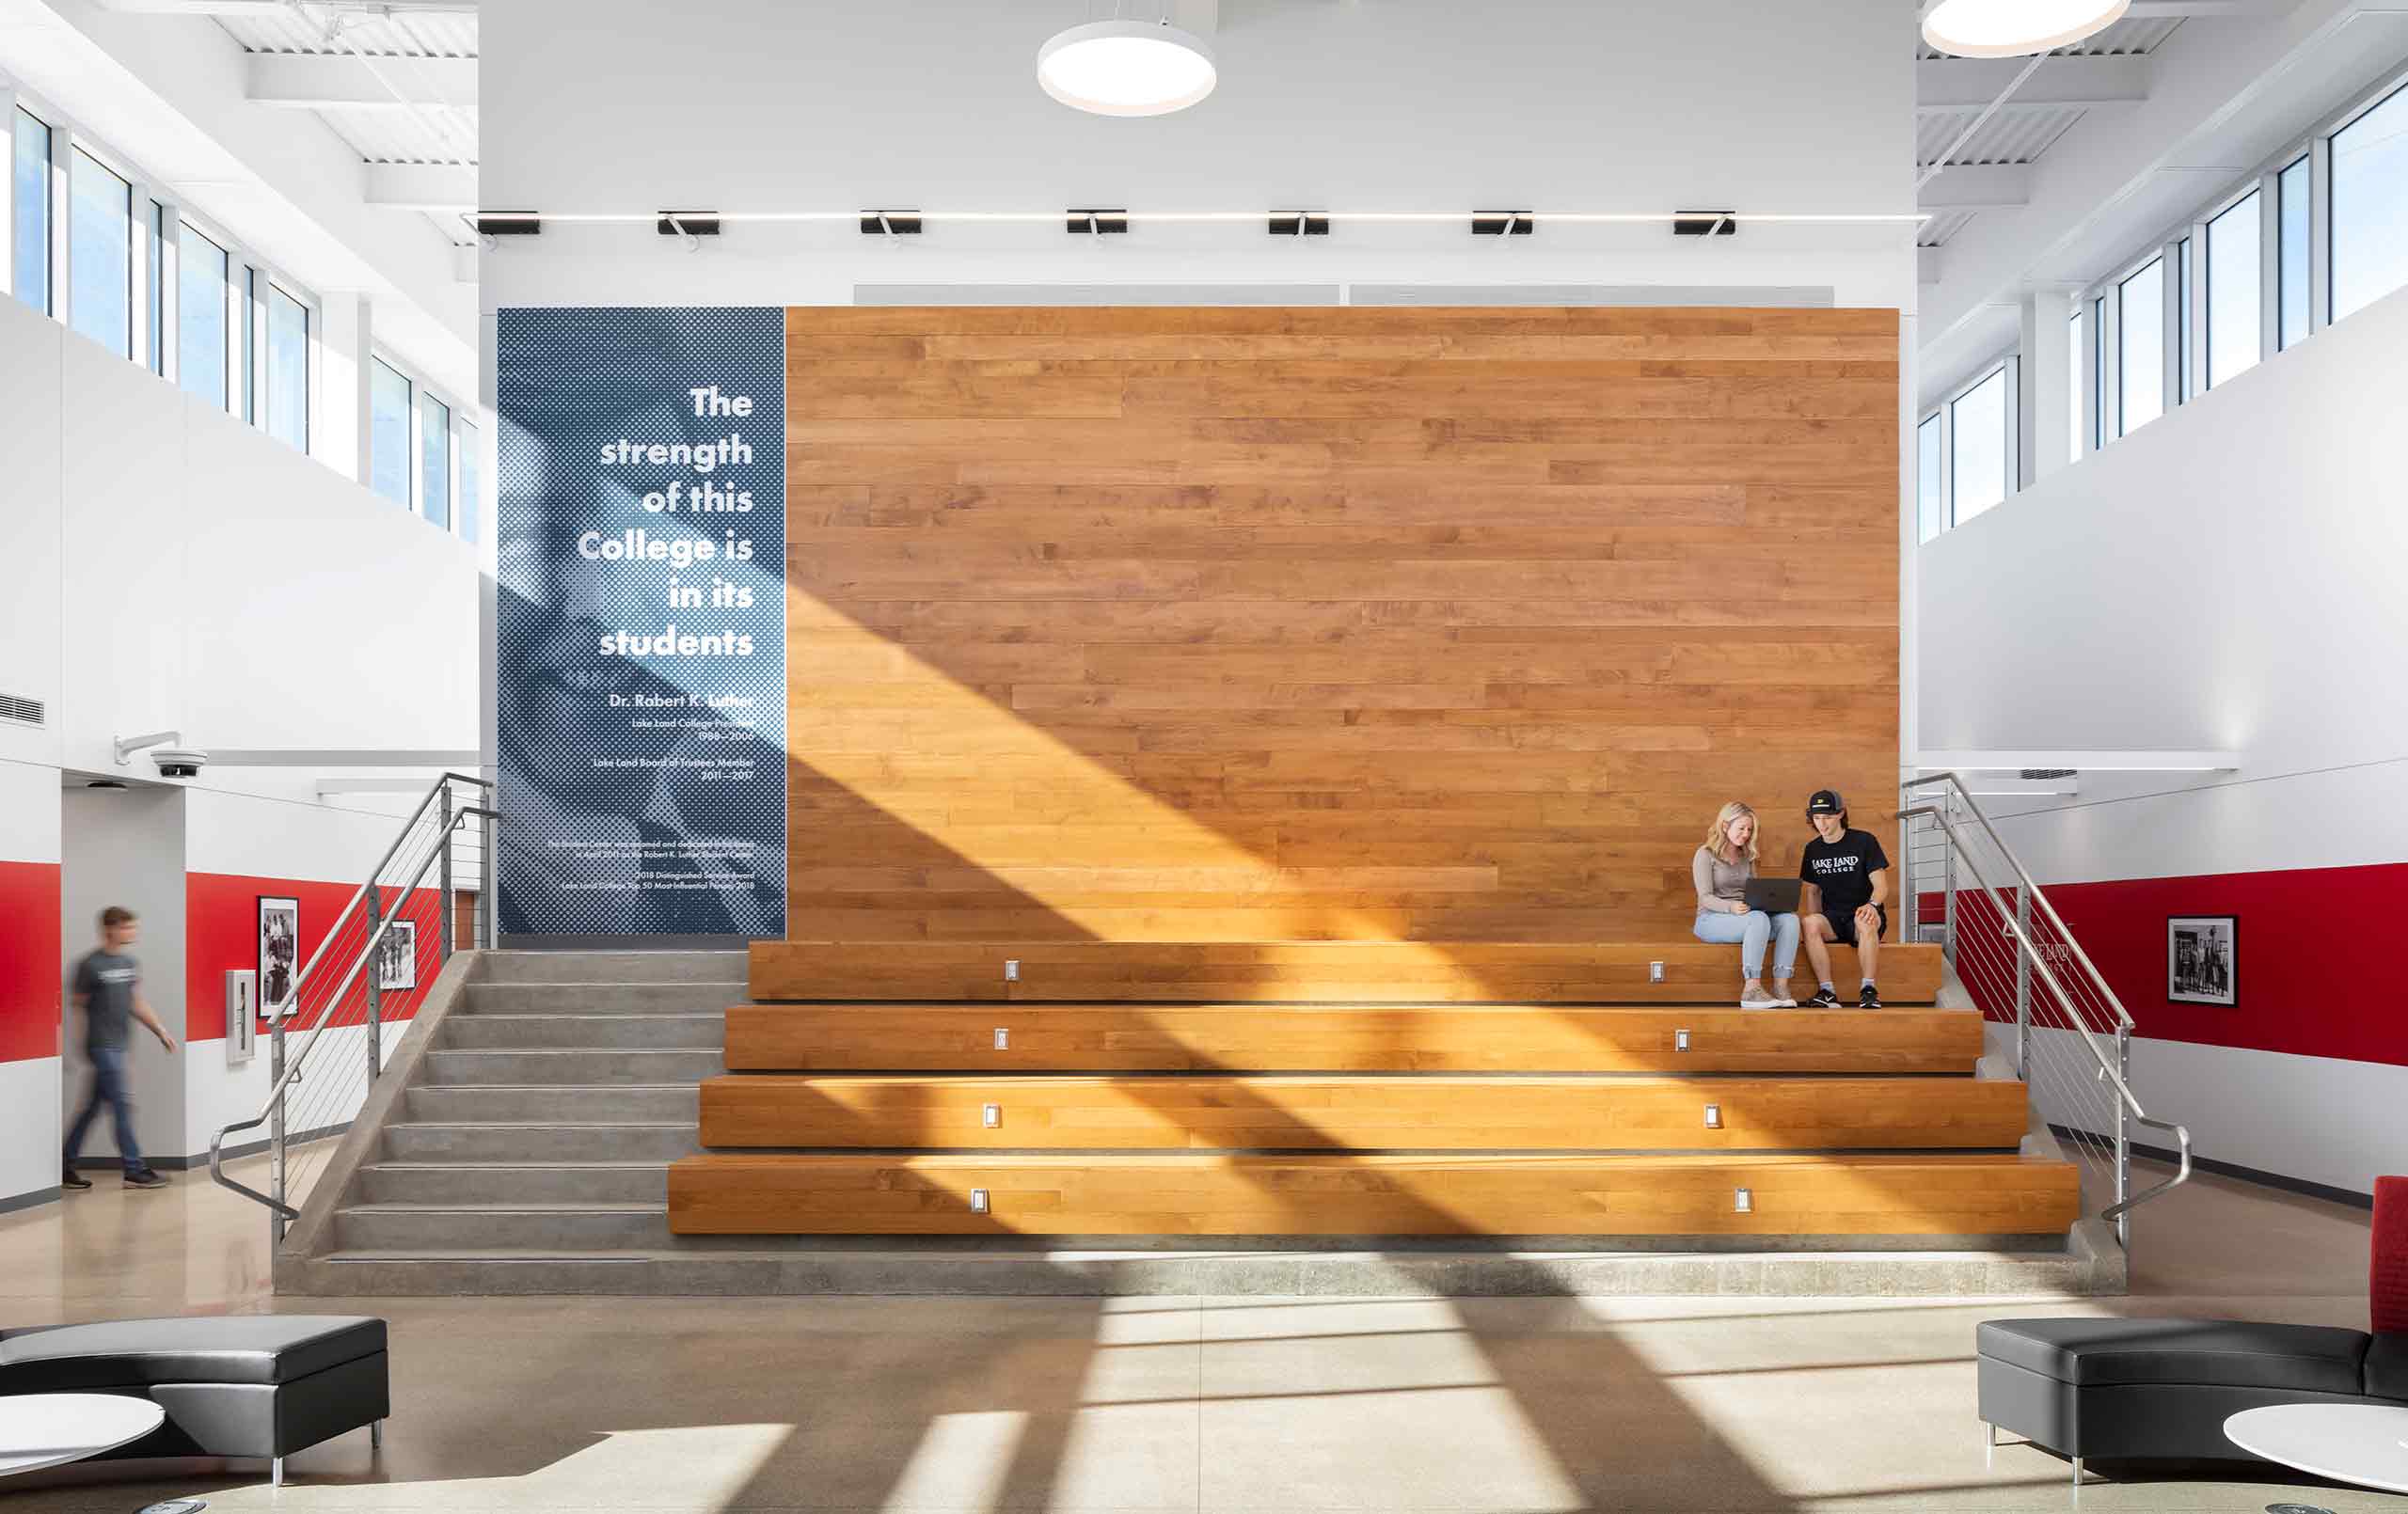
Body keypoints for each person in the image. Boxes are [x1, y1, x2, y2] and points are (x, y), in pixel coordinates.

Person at [63, 907, 178, 1191]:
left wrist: (160, 1030)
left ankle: (64, 1164)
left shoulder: (129, 963)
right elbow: (77, 1008)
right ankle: (134, 1169)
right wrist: (79, 1047)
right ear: (110, 929)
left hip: (119, 1044)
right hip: (101, 1046)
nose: (133, 932)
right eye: (128, 927)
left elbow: (135, 1002)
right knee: (122, 1105)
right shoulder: (89, 965)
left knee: (92, 1108)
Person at [1690, 800, 1799, 1010]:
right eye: (1741, 828)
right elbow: (1705, 897)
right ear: (1725, 826)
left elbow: (1753, 891)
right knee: (1758, 919)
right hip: (1711, 919)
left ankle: (1781, 986)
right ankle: (1752, 988)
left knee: (1790, 920)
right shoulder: (1705, 854)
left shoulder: (1747, 856)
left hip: (1747, 916)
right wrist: (1731, 907)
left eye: (1749, 829)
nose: (1746, 834)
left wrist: (1767, 903)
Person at [1797, 789, 1890, 1009]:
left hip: (1864, 913)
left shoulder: (1864, 841)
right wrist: (1815, 926)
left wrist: (1872, 905)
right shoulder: (1813, 849)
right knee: (1809, 922)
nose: (1822, 824)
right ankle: (1827, 992)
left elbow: (1881, 886)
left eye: (1828, 817)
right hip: (1833, 919)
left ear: (1841, 814)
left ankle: (1868, 990)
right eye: (1817, 818)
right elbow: (1813, 891)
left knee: (1864, 918)